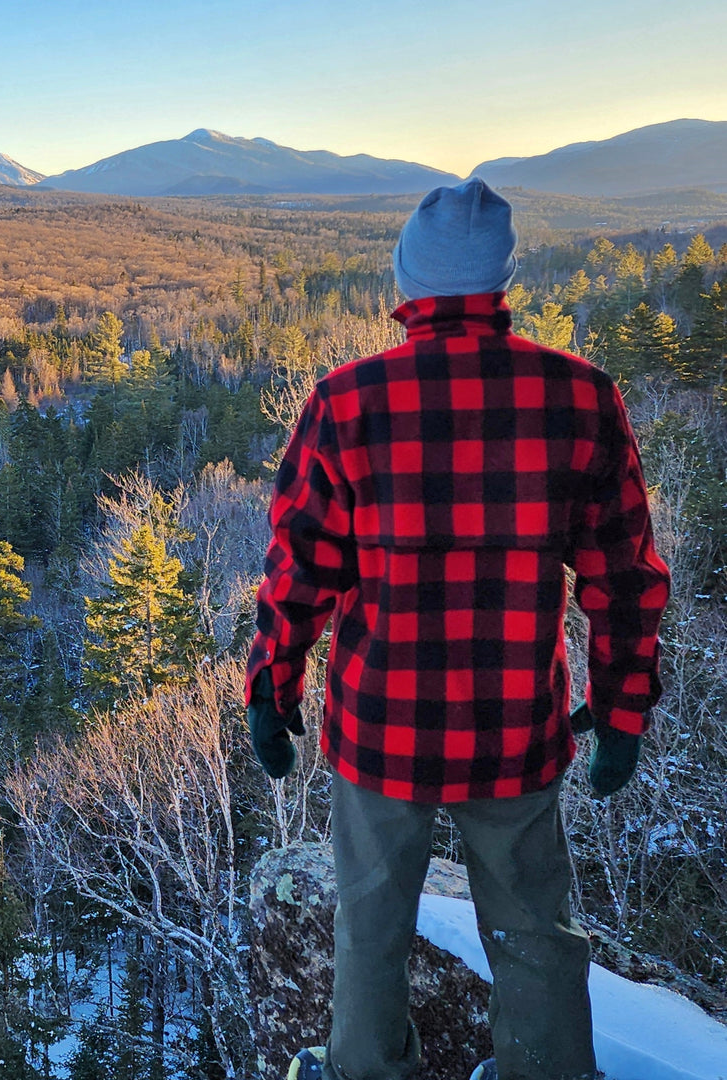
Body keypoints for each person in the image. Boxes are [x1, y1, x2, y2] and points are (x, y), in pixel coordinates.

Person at [244, 178, 670, 1080]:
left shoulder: (347, 401)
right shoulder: (579, 396)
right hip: (515, 722)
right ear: (501, 280)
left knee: (369, 924)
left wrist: (271, 690)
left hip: (379, 724)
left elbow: (297, 570)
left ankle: (365, 1071)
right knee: (534, 931)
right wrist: (621, 711)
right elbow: (624, 578)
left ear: (408, 278)